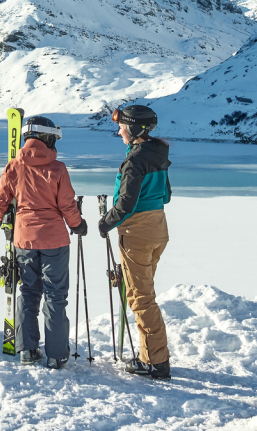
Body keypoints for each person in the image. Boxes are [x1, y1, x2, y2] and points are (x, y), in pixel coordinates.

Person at [0, 115, 87, 368]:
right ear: (47, 139)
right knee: (55, 296)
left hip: (23, 239)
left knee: (28, 292)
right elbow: (67, 204)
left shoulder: (13, 166)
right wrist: (78, 224)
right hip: (55, 240)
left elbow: (1, 199)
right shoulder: (58, 169)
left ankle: (27, 349)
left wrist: (6, 221)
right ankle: (56, 355)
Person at [97, 103, 173, 380]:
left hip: (137, 233)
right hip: (158, 228)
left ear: (133, 128)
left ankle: (155, 361)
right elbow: (165, 195)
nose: (119, 132)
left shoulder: (135, 161)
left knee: (140, 298)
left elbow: (125, 204)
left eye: (121, 127)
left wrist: (105, 222)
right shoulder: (157, 154)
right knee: (144, 293)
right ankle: (151, 354)